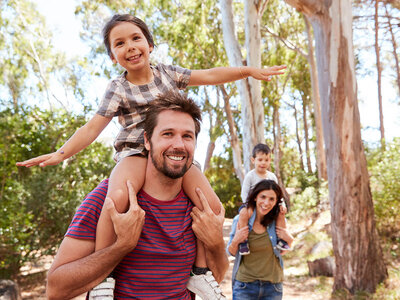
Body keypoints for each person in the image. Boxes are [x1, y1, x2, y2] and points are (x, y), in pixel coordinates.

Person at [16, 13, 286, 294]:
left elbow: (209, 75)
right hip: (134, 152)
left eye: (136, 38)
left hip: (174, 156)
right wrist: (61, 153)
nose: (130, 46)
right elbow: (93, 126)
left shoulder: (167, 74)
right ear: (112, 56)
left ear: (150, 45)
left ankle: (200, 273)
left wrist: (247, 72)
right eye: (119, 43)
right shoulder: (118, 88)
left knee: (213, 208)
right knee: (117, 199)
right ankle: (104, 280)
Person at [46, 91, 229, 300]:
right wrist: (120, 247)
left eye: (187, 136)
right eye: (167, 134)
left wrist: (215, 243)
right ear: (147, 141)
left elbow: (217, 275)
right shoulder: (106, 199)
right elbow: (56, 290)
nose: (178, 144)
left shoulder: (198, 206)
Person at [227, 180, 294, 300]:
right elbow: (230, 252)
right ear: (255, 197)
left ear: (276, 202)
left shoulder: (277, 221)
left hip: (273, 287)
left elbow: (282, 250)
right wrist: (236, 240)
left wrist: (290, 239)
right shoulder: (240, 220)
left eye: (272, 199)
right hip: (244, 286)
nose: (266, 203)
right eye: (263, 197)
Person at [237, 143, 290, 255]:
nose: (263, 163)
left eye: (266, 160)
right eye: (260, 160)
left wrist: (282, 204)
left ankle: (281, 239)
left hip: (268, 204)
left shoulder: (272, 176)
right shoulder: (250, 176)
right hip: (251, 203)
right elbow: (244, 193)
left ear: (269, 160)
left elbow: (278, 194)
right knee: (243, 213)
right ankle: (243, 242)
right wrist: (249, 205)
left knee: (281, 212)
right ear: (253, 160)